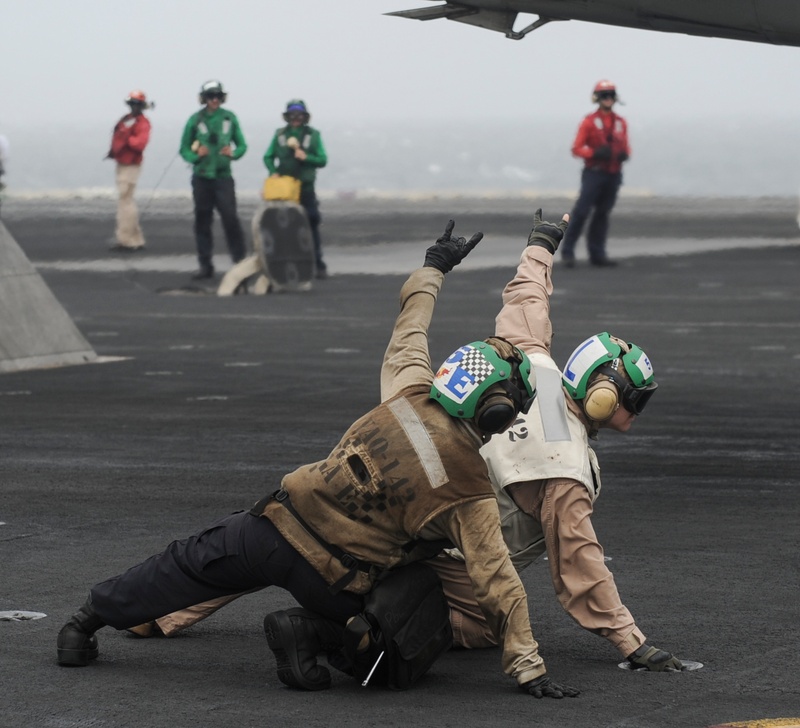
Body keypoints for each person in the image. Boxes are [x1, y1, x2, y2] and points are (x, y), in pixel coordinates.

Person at [55, 215, 580, 700]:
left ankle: (82, 623)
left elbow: (411, 327)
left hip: (274, 521)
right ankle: (309, 632)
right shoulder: (466, 487)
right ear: (494, 412)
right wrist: (528, 666)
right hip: (332, 575)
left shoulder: (407, 388)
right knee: (419, 620)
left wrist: (433, 268)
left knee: (186, 564)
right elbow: (497, 581)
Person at [430, 211, 691, 673]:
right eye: (636, 399)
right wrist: (632, 642)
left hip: (417, 521)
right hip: (450, 567)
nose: (636, 410)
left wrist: (541, 246)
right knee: (490, 626)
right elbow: (579, 566)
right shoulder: (565, 466)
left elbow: (525, 301)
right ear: (604, 396)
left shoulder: (531, 369)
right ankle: (377, 623)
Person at [179, 80, 248, 280]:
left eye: (217, 96)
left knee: (231, 220)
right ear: (204, 98)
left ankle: (240, 263)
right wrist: (195, 156)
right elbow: (183, 148)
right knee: (202, 221)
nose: (214, 100)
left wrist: (233, 153)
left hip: (223, 178)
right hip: (202, 178)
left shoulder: (229, 117)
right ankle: (205, 265)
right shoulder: (194, 119)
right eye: (210, 96)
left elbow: (242, 145)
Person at [560, 80, 631, 268]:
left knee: (603, 214)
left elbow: (626, 147)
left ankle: (597, 253)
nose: (608, 99)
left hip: (613, 174)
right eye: (604, 95)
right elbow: (576, 148)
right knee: (581, 212)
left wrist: (624, 155)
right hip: (594, 173)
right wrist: (593, 153)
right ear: (597, 99)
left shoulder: (621, 123)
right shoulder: (589, 122)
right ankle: (568, 252)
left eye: (610, 95)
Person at [263, 100, 329, 278]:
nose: (296, 119)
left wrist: (306, 157)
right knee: (283, 227)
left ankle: (318, 264)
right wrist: (273, 172)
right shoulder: (280, 135)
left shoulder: (313, 135)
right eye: (292, 115)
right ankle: (285, 264)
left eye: (299, 115)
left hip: (306, 188)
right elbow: (268, 156)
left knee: (311, 222)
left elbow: (322, 159)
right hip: (285, 190)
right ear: (287, 117)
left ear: (305, 117)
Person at [107, 90, 152, 252]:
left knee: (126, 200)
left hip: (131, 164)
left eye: (136, 104)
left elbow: (140, 144)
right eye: (132, 104)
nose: (133, 107)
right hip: (122, 162)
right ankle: (134, 239)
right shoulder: (128, 120)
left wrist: (126, 136)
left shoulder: (142, 123)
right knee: (125, 200)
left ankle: (126, 239)